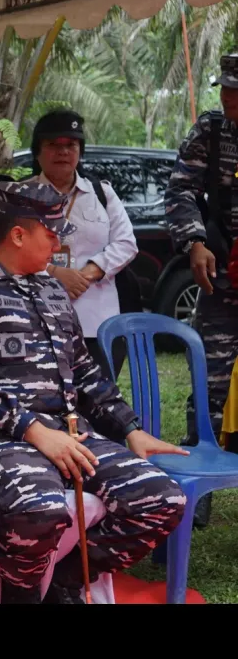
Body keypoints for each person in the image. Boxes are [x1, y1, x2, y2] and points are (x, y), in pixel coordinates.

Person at [0, 180, 188, 604]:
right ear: (18, 234)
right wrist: (34, 431)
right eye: (51, 234)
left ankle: (63, 582)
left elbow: (86, 372)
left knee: (162, 499)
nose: (58, 245)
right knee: (41, 511)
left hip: (68, 432)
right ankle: (20, 589)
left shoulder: (52, 290)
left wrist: (130, 429)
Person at [165, 53, 238, 523]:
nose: (228, 97)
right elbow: (180, 190)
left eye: (237, 91)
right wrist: (194, 240)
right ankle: (199, 494)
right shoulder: (211, 130)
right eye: (225, 88)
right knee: (208, 383)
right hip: (224, 281)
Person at [28, 110, 136, 382]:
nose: (62, 152)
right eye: (53, 145)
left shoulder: (102, 193)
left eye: (70, 145)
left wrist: (86, 274)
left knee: (99, 403)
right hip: (37, 321)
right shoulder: (20, 196)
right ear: (37, 152)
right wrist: (54, 273)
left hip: (97, 324)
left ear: (80, 151)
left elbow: (126, 243)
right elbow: (7, 251)